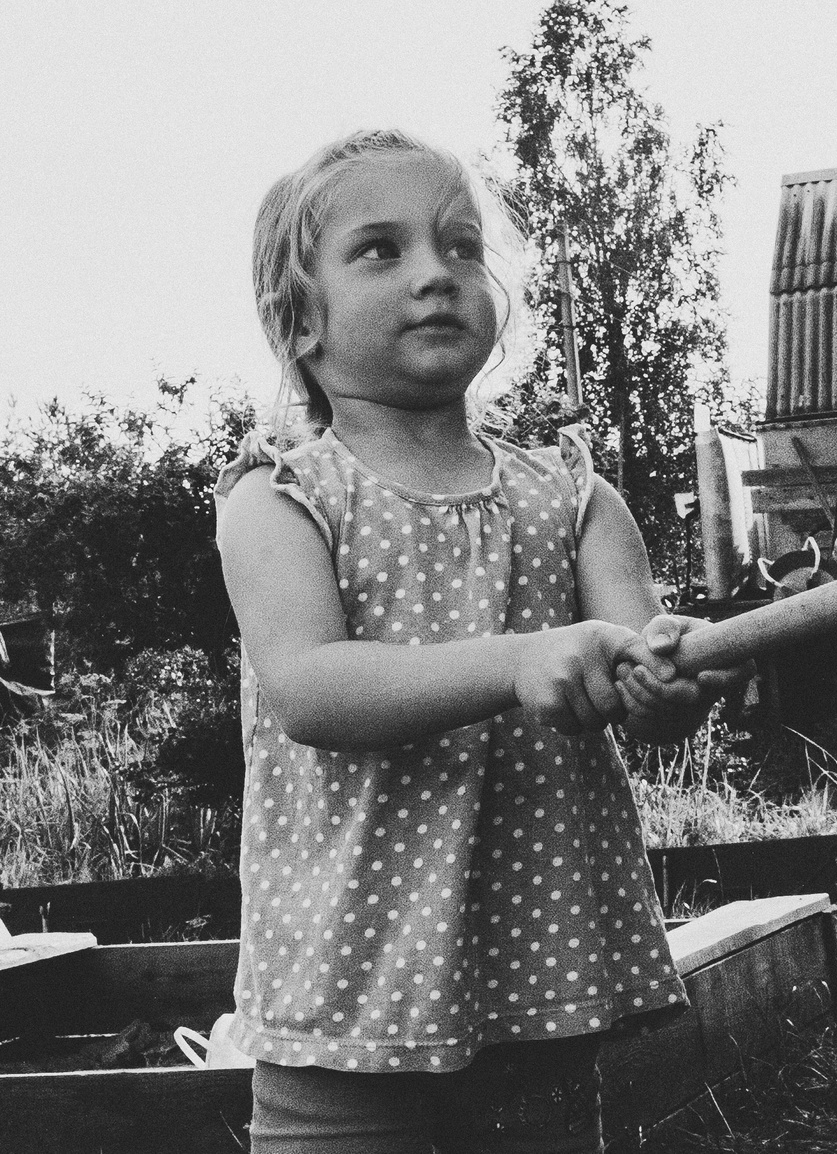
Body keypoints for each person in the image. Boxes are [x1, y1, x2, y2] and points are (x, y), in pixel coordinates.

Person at [217, 128, 741, 1153]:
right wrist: (519, 659)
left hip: (538, 976)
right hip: (349, 988)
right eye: (383, 250)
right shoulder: (280, 497)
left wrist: (677, 679)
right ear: (303, 321)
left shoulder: (574, 499)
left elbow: (643, 690)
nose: (436, 274)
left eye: (460, 247)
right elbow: (312, 692)